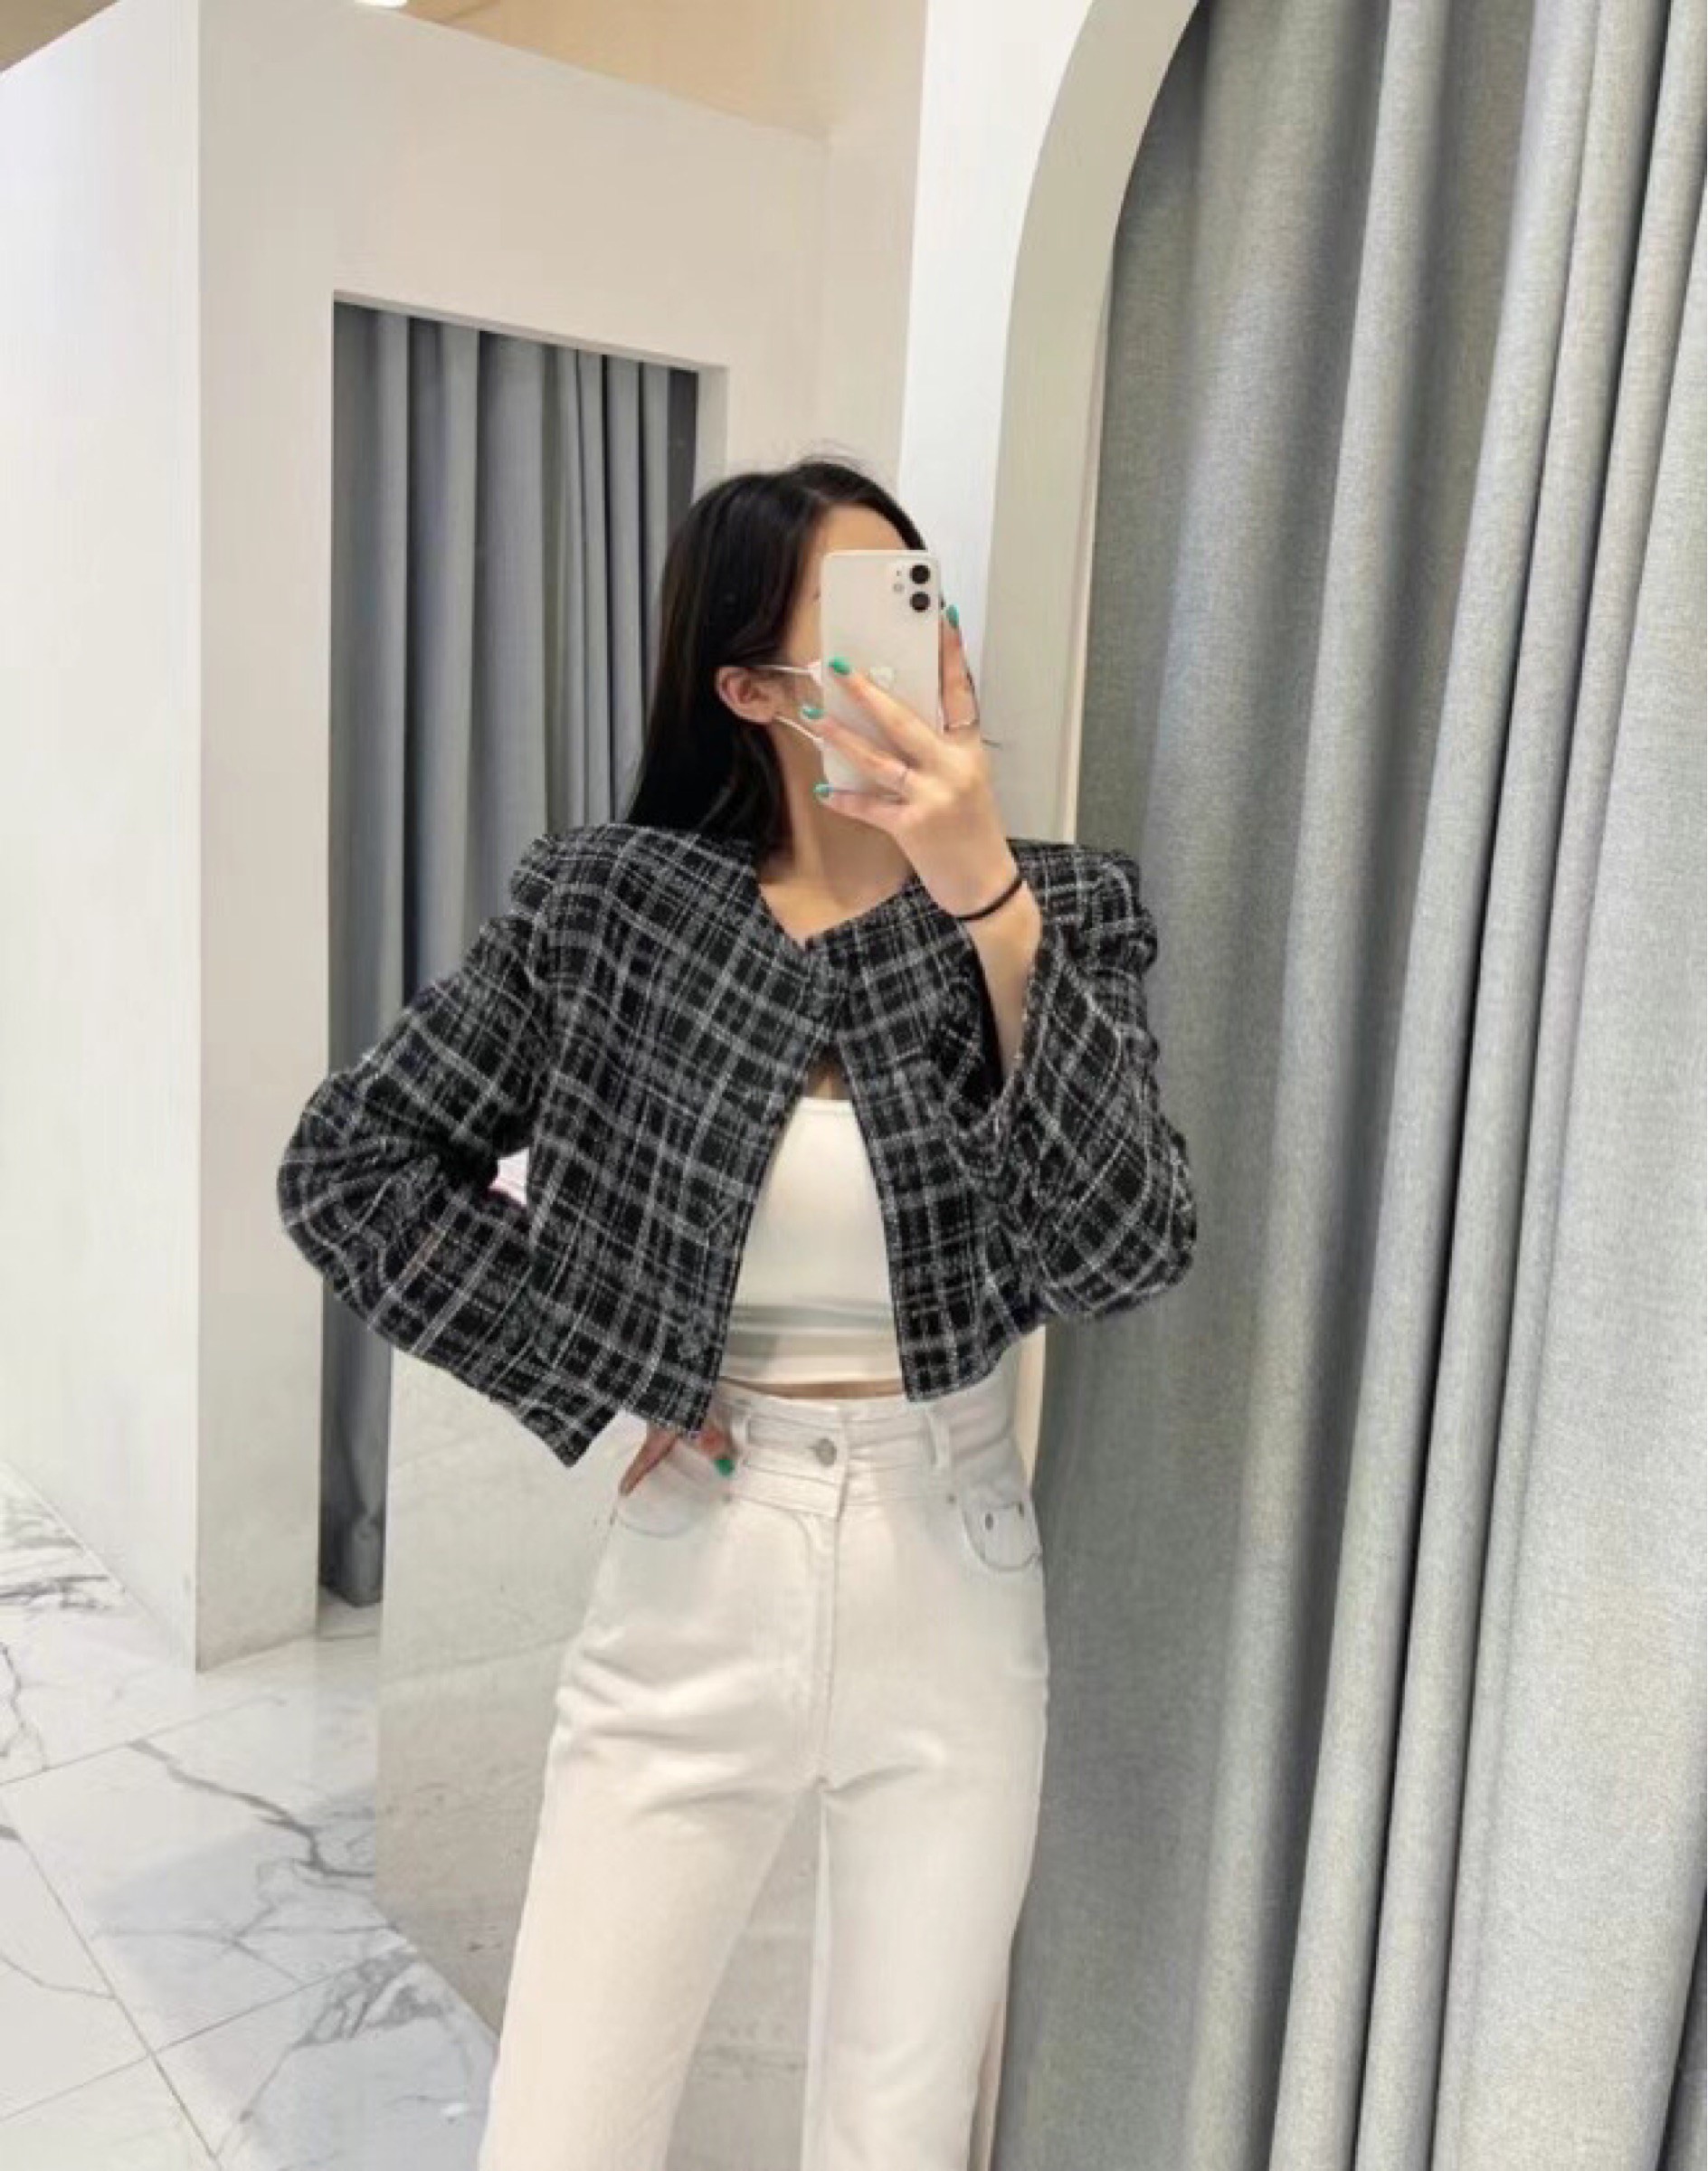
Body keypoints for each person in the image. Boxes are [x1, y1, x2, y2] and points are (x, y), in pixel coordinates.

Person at [279, 456, 1197, 2169]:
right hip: (700, 1568)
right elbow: (351, 1164)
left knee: (895, 2133)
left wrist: (987, 898)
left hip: (956, 1569)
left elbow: (1123, 1248)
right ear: (753, 690)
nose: (918, 652)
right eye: (857, 627)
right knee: (564, 2127)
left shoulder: (1063, 909)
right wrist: (608, 1359)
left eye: (917, 603)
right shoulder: (611, 909)